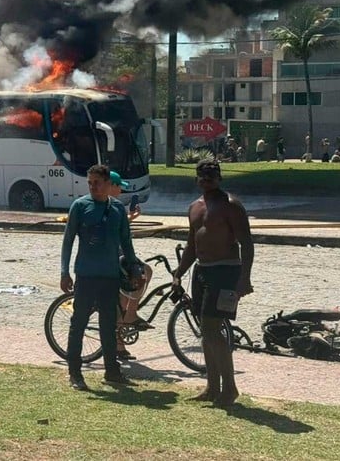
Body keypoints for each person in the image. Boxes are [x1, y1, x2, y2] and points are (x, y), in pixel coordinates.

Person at [172, 159, 254, 407]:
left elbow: (246, 243)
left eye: (211, 176)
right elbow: (191, 244)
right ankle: (212, 386)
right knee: (206, 332)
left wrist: (244, 278)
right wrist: (179, 272)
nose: (206, 180)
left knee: (212, 329)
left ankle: (229, 388)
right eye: (202, 176)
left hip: (226, 271)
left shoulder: (231, 206)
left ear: (219, 178)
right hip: (202, 271)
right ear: (196, 179)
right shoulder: (194, 207)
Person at [61, 164, 139, 390]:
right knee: (79, 323)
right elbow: (68, 241)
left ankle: (112, 371)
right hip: (85, 274)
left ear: (107, 184)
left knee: (108, 325)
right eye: (90, 183)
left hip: (110, 275)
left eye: (97, 182)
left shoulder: (117, 210)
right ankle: (75, 373)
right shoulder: (80, 206)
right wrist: (64, 272)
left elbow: (127, 242)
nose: (93, 187)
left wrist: (133, 268)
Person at [108, 171, 153, 361]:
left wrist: (131, 218)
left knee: (127, 293)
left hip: (120, 254)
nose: (121, 189)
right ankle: (129, 319)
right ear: (110, 185)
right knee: (140, 276)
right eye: (118, 186)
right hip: (114, 257)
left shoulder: (115, 206)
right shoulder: (110, 205)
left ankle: (123, 331)